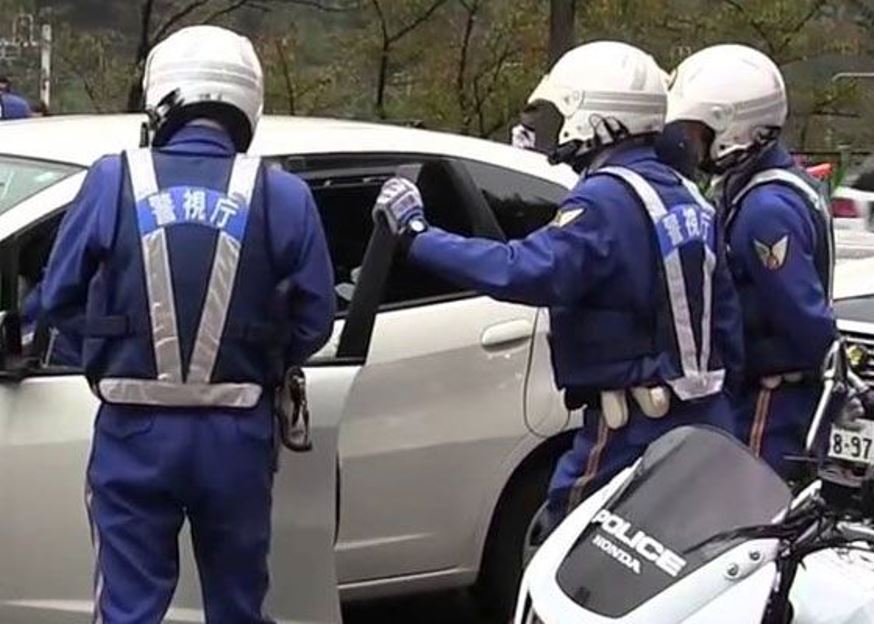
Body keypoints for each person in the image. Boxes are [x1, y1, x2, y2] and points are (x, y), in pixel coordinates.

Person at [373, 41, 743, 536]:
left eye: (564, 111)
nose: (553, 126)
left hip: (633, 428)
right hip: (706, 420)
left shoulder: (606, 199)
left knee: (568, 545)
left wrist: (417, 237)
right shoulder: (686, 195)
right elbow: (727, 321)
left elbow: (522, 270)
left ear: (597, 115)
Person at [40, 25, 335, 623]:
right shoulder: (283, 194)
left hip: (132, 430)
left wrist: (102, 353)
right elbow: (317, 317)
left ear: (163, 97)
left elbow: (55, 298)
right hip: (237, 435)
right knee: (237, 605)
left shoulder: (111, 179)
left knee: (128, 609)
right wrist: (265, 360)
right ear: (246, 103)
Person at [664, 44, 837, 479]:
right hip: (765, 395)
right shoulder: (753, 189)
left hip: (773, 400)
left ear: (733, 128)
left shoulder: (765, 209)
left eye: (698, 130)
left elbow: (802, 316)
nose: (690, 142)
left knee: (755, 518)